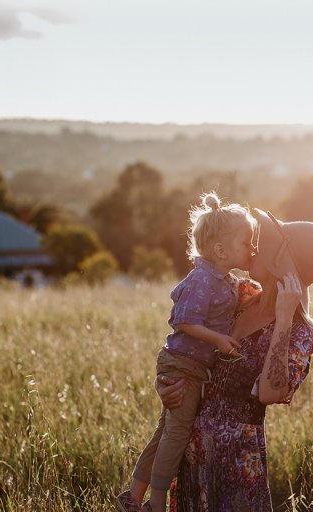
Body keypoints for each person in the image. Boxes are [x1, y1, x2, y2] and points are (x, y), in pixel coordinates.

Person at [156, 208, 313, 511]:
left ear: (282, 261)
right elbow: (187, 342)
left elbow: (270, 392)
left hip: (236, 464)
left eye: (264, 244)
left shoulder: (300, 333)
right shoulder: (238, 295)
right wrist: (168, 382)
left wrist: (283, 321)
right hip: (192, 451)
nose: (255, 248)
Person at [117, 192, 258, 512]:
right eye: (247, 242)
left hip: (190, 365)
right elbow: (184, 321)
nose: (252, 249)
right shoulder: (202, 279)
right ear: (221, 250)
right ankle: (156, 504)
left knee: (165, 431)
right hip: (184, 365)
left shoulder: (224, 279)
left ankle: (132, 497)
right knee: (177, 435)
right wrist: (218, 340)